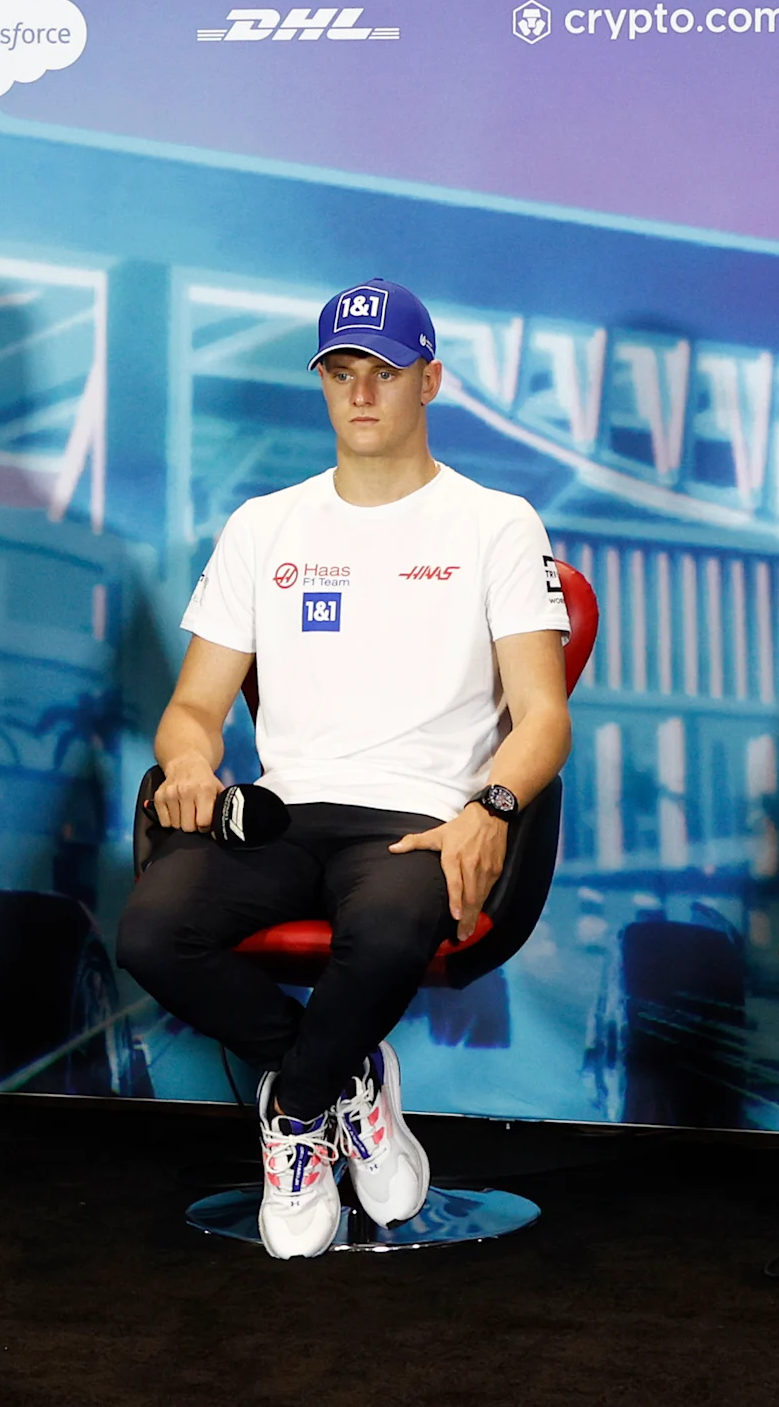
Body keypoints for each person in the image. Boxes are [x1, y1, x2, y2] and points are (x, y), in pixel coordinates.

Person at [121, 278, 571, 1259]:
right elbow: (192, 707)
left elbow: (543, 717)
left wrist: (489, 810)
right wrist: (190, 760)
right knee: (152, 933)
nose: (359, 392)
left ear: (430, 380)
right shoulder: (263, 527)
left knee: (393, 923)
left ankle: (292, 1123)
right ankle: (342, 1082)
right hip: (285, 816)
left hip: (419, 817)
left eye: (383, 371)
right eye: (338, 371)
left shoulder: (495, 523)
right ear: (320, 384)